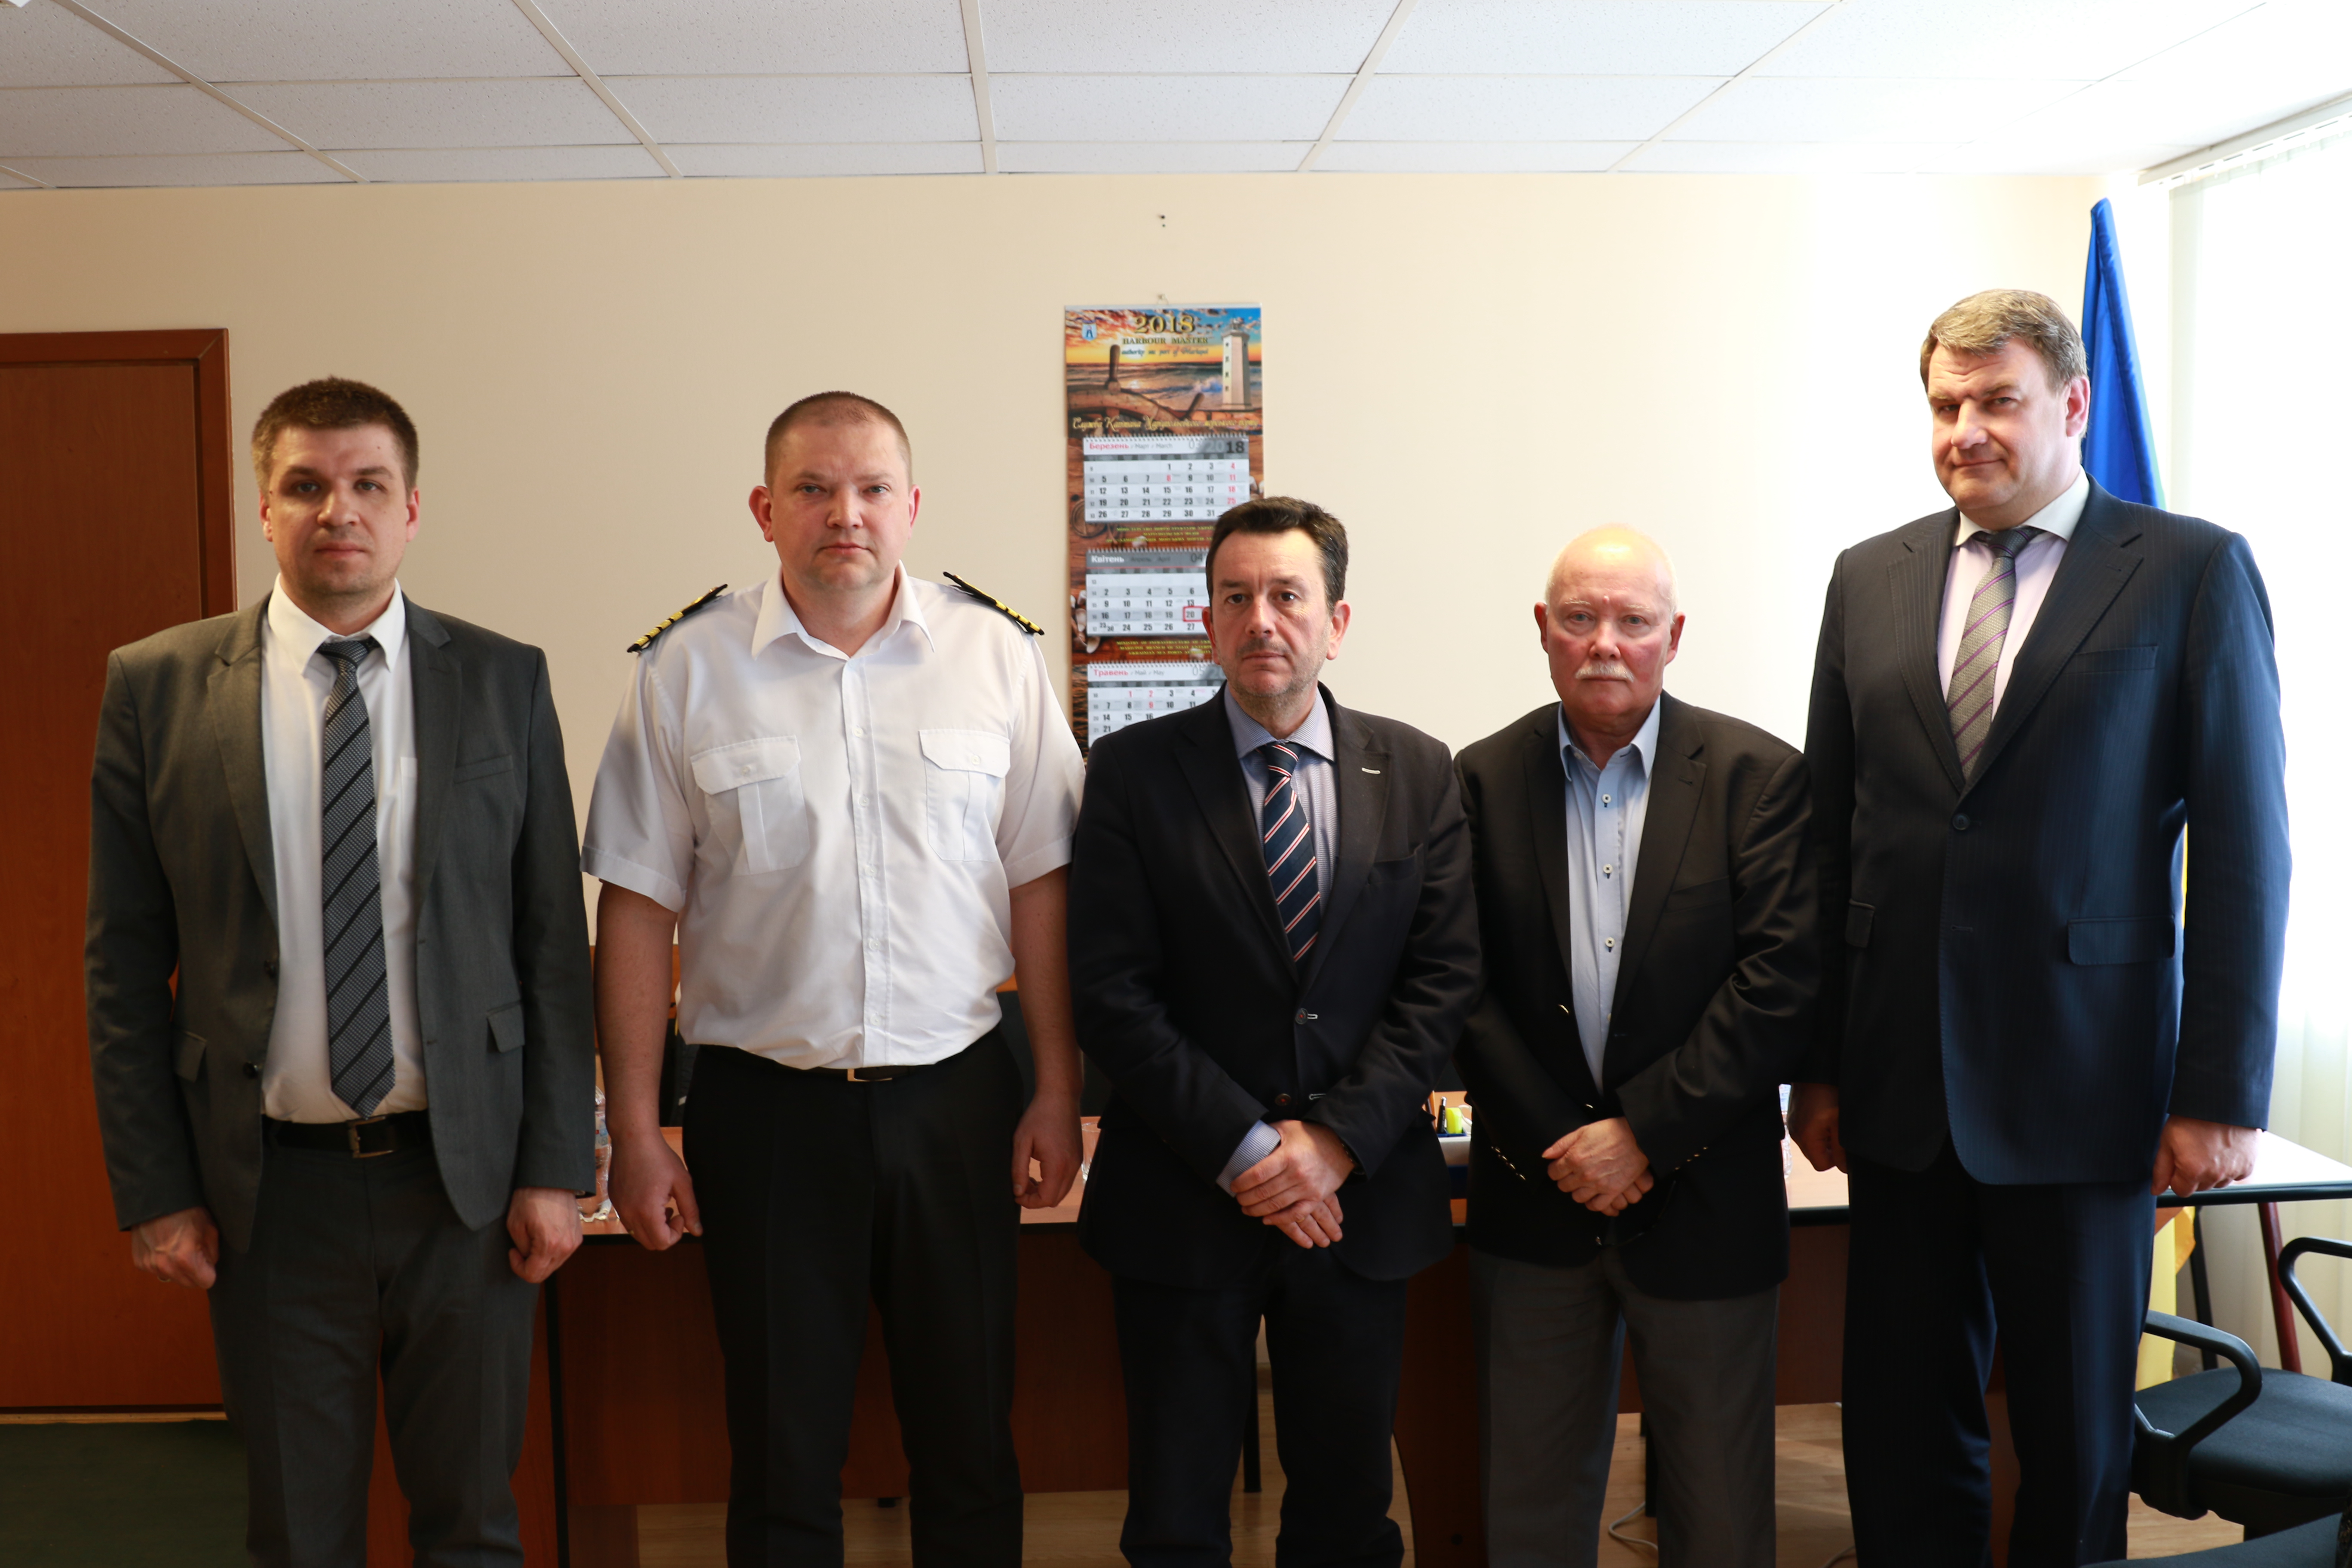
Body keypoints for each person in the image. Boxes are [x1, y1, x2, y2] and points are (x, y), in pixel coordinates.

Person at [1788, 289, 2290, 1565]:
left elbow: (2246, 850)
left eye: (1997, 400)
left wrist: (2218, 1092)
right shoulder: (1868, 577)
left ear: (2071, 404)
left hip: (2089, 1088)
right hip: (1900, 1090)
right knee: (1901, 1425)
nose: (1965, 430)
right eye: (1945, 405)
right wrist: (1819, 1062)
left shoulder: (2189, 570)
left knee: (2072, 1437)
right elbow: (1830, 841)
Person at [85, 377, 594, 1566]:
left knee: (473, 1525)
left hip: (466, 1187)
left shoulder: (503, 679)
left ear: (411, 509)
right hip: (271, 1196)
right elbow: (123, 966)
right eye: (306, 485)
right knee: (299, 1535)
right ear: (264, 509)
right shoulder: (158, 686)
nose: (339, 511)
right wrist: (154, 1189)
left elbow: (547, 947)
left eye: (368, 484)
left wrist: (556, 1169)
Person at [585, 391, 1085, 1568]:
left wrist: (1058, 1088)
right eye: (813, 489)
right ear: (766, 511)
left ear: (912, 507)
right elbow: (637, 909)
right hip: (765, 1112)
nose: (844, 514)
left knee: (970, 1440)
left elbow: (1044, 890)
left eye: (871, 489)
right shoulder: (685, 670)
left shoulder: (996, 658)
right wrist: (640, 1130)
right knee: (779, 1453)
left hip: (957, 1098)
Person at [1067, 496, 1479, 1568]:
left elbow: (1443, 981)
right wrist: (1252, 1150)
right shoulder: (1131, 773)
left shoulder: (1418, 769)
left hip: (1360, 1204)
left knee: (1347, 1516)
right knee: (1174, 1521)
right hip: (1183, 1199)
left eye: (1288, 596)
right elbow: (1111, 992)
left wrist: (1333, 1142)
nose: (1262, 620)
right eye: (1237, 597)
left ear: (1336, 622)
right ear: (1207, 621)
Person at [1453, 527, 1817, 1568]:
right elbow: (1458, 986)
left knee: (1719, 1518)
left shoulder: (1759, 778)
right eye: (1580, 618)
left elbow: (1778, 984)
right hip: (1537, 1197)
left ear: (1674, 635)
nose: (1605, 642)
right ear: (1544, 630)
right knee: (1529, 1513)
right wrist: (1572, 1147)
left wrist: (1642, 1136)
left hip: (1707, 1202)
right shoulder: (1478, 780)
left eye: (1632, 620)